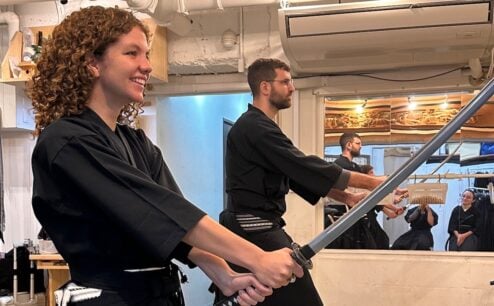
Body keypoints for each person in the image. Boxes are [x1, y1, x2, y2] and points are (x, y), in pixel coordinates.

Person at [28, 7, 303, 306]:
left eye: (146, 55)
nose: (147, 66)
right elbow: (153, 209)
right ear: (92, 62)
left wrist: (222, 273)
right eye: (132, 53)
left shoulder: (137, 143)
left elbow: (175, 219)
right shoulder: (67, 142)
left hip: (160, 293)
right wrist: (258, 257)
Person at [216, 58, 402, 306]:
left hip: (258, 226)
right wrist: (374, 183)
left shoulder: (260, 126)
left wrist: (346, 197)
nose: (291, 88)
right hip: (254, 229)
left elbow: (293, 176)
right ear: (265, 87)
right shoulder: (254, 127)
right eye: (285, 82)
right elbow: (304, 166)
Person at [327, 135, 404, 249]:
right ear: (348, 145)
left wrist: (393, 199)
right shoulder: (339, 165)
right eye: (358, 143)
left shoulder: (355, 167)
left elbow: (367, 189)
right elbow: (361, 191)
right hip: (347, 219)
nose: (361, 146)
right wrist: (392, 203)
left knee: (381, 241)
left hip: (359, 217)